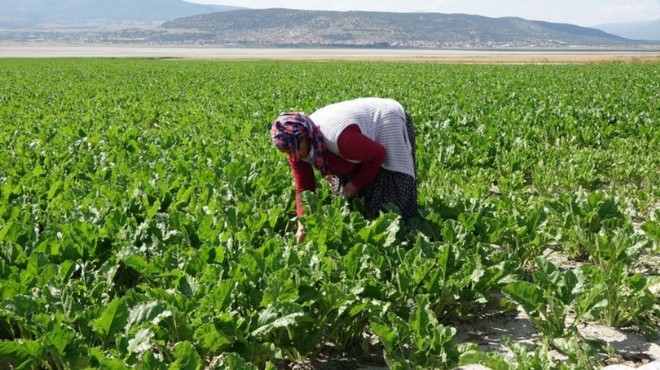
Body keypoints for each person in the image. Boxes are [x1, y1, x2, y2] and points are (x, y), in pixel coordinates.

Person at [270, 97, 418, 243]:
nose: (292, 155)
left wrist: (353, 186)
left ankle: (408, 232)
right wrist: (302, 224)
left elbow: (378, 154)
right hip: (357, 141)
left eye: (294, 148)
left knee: (391, 199)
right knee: (356, 202)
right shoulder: (295, 150)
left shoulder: (339, 138)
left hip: (386, 120)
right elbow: (304, 189)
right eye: (287, 152)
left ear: (306, 137)